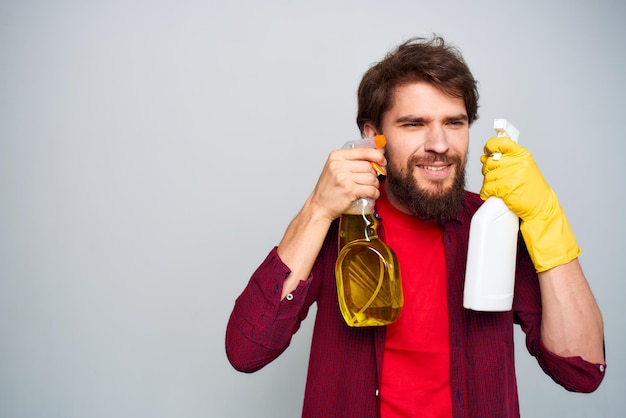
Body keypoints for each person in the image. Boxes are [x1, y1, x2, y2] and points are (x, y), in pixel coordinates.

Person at [225, 35, 606, 417]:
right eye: (414, 124)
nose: (439, 143)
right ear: (374, 137)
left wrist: (547, 218)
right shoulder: (337, 227)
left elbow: (581, 370)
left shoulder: (496, 225)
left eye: (454, 122)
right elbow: (247, 350)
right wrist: (318, 208)